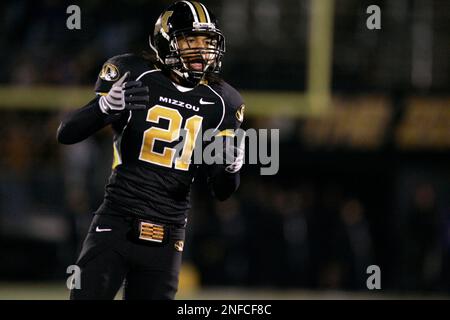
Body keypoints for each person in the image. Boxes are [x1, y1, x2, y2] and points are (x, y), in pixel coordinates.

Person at [57, 0, 245, 300]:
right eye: (190, 39)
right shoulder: (133, 73)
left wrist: (231, 168)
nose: (201, 49)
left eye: (206, 41)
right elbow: (66, 134)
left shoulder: (224, 101)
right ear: (167, 41)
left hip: (169, 234)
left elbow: (222, 191)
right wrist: (103, 108)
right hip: (116, 221)